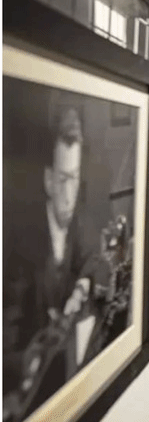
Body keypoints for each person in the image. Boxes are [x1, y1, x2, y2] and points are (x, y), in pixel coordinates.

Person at [3, 103, 105, 408]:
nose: (70, 195)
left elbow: (95, 261)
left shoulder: (80, 222)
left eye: (75, 178)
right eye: (63, 180)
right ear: (48, 181)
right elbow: (8, 334)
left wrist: (82, 286)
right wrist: (29, 359)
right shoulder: (20, 244)